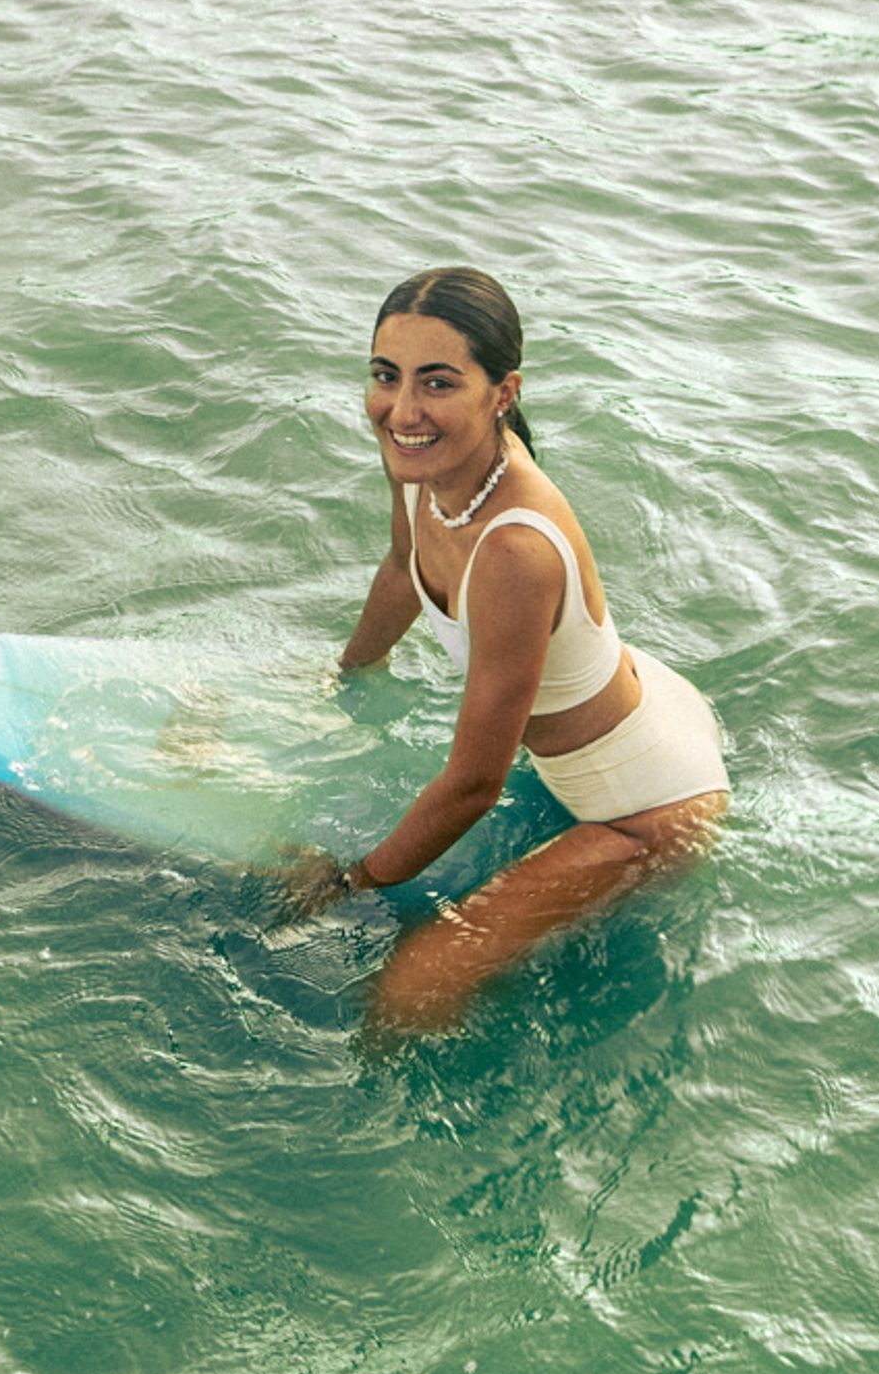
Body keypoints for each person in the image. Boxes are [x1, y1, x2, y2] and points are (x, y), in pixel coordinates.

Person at [291, 267, 730, 1033]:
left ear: (504, 393)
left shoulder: (515, 553)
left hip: (644, 807)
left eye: (437, 383)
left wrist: (352, 883)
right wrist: (347, 677)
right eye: (385, 377)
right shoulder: (419, 460)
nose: (401, 409)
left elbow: (474, 783)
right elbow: (401, 570)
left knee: (409, 991)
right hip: (614, 719)